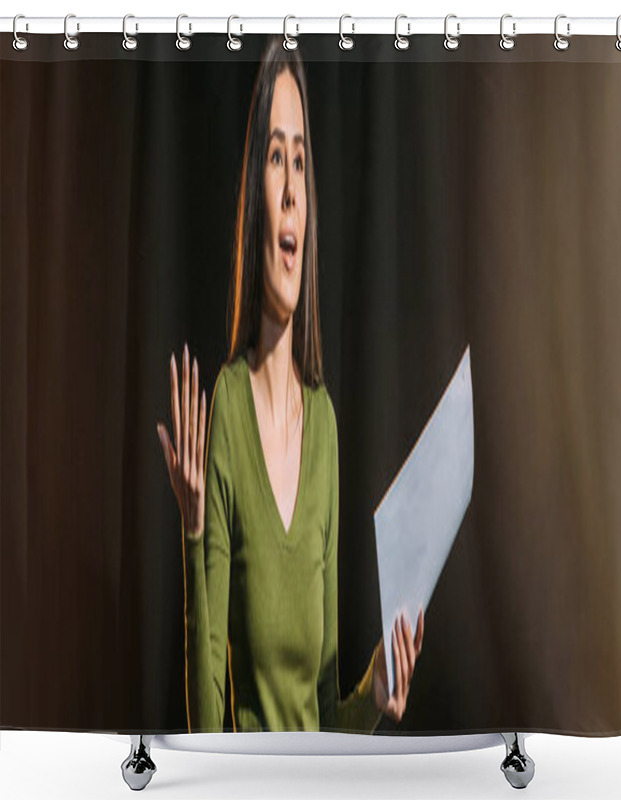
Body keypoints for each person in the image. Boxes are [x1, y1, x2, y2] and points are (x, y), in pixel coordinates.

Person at [156, 37, 423, 734]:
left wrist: (378, 690)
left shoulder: (325, 422)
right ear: (256, 200)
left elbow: (330, 712)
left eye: (300, 161)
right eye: (276, 157)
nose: (291, 187)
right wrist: (193, 532)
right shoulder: (226, 412)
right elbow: (206, 723)